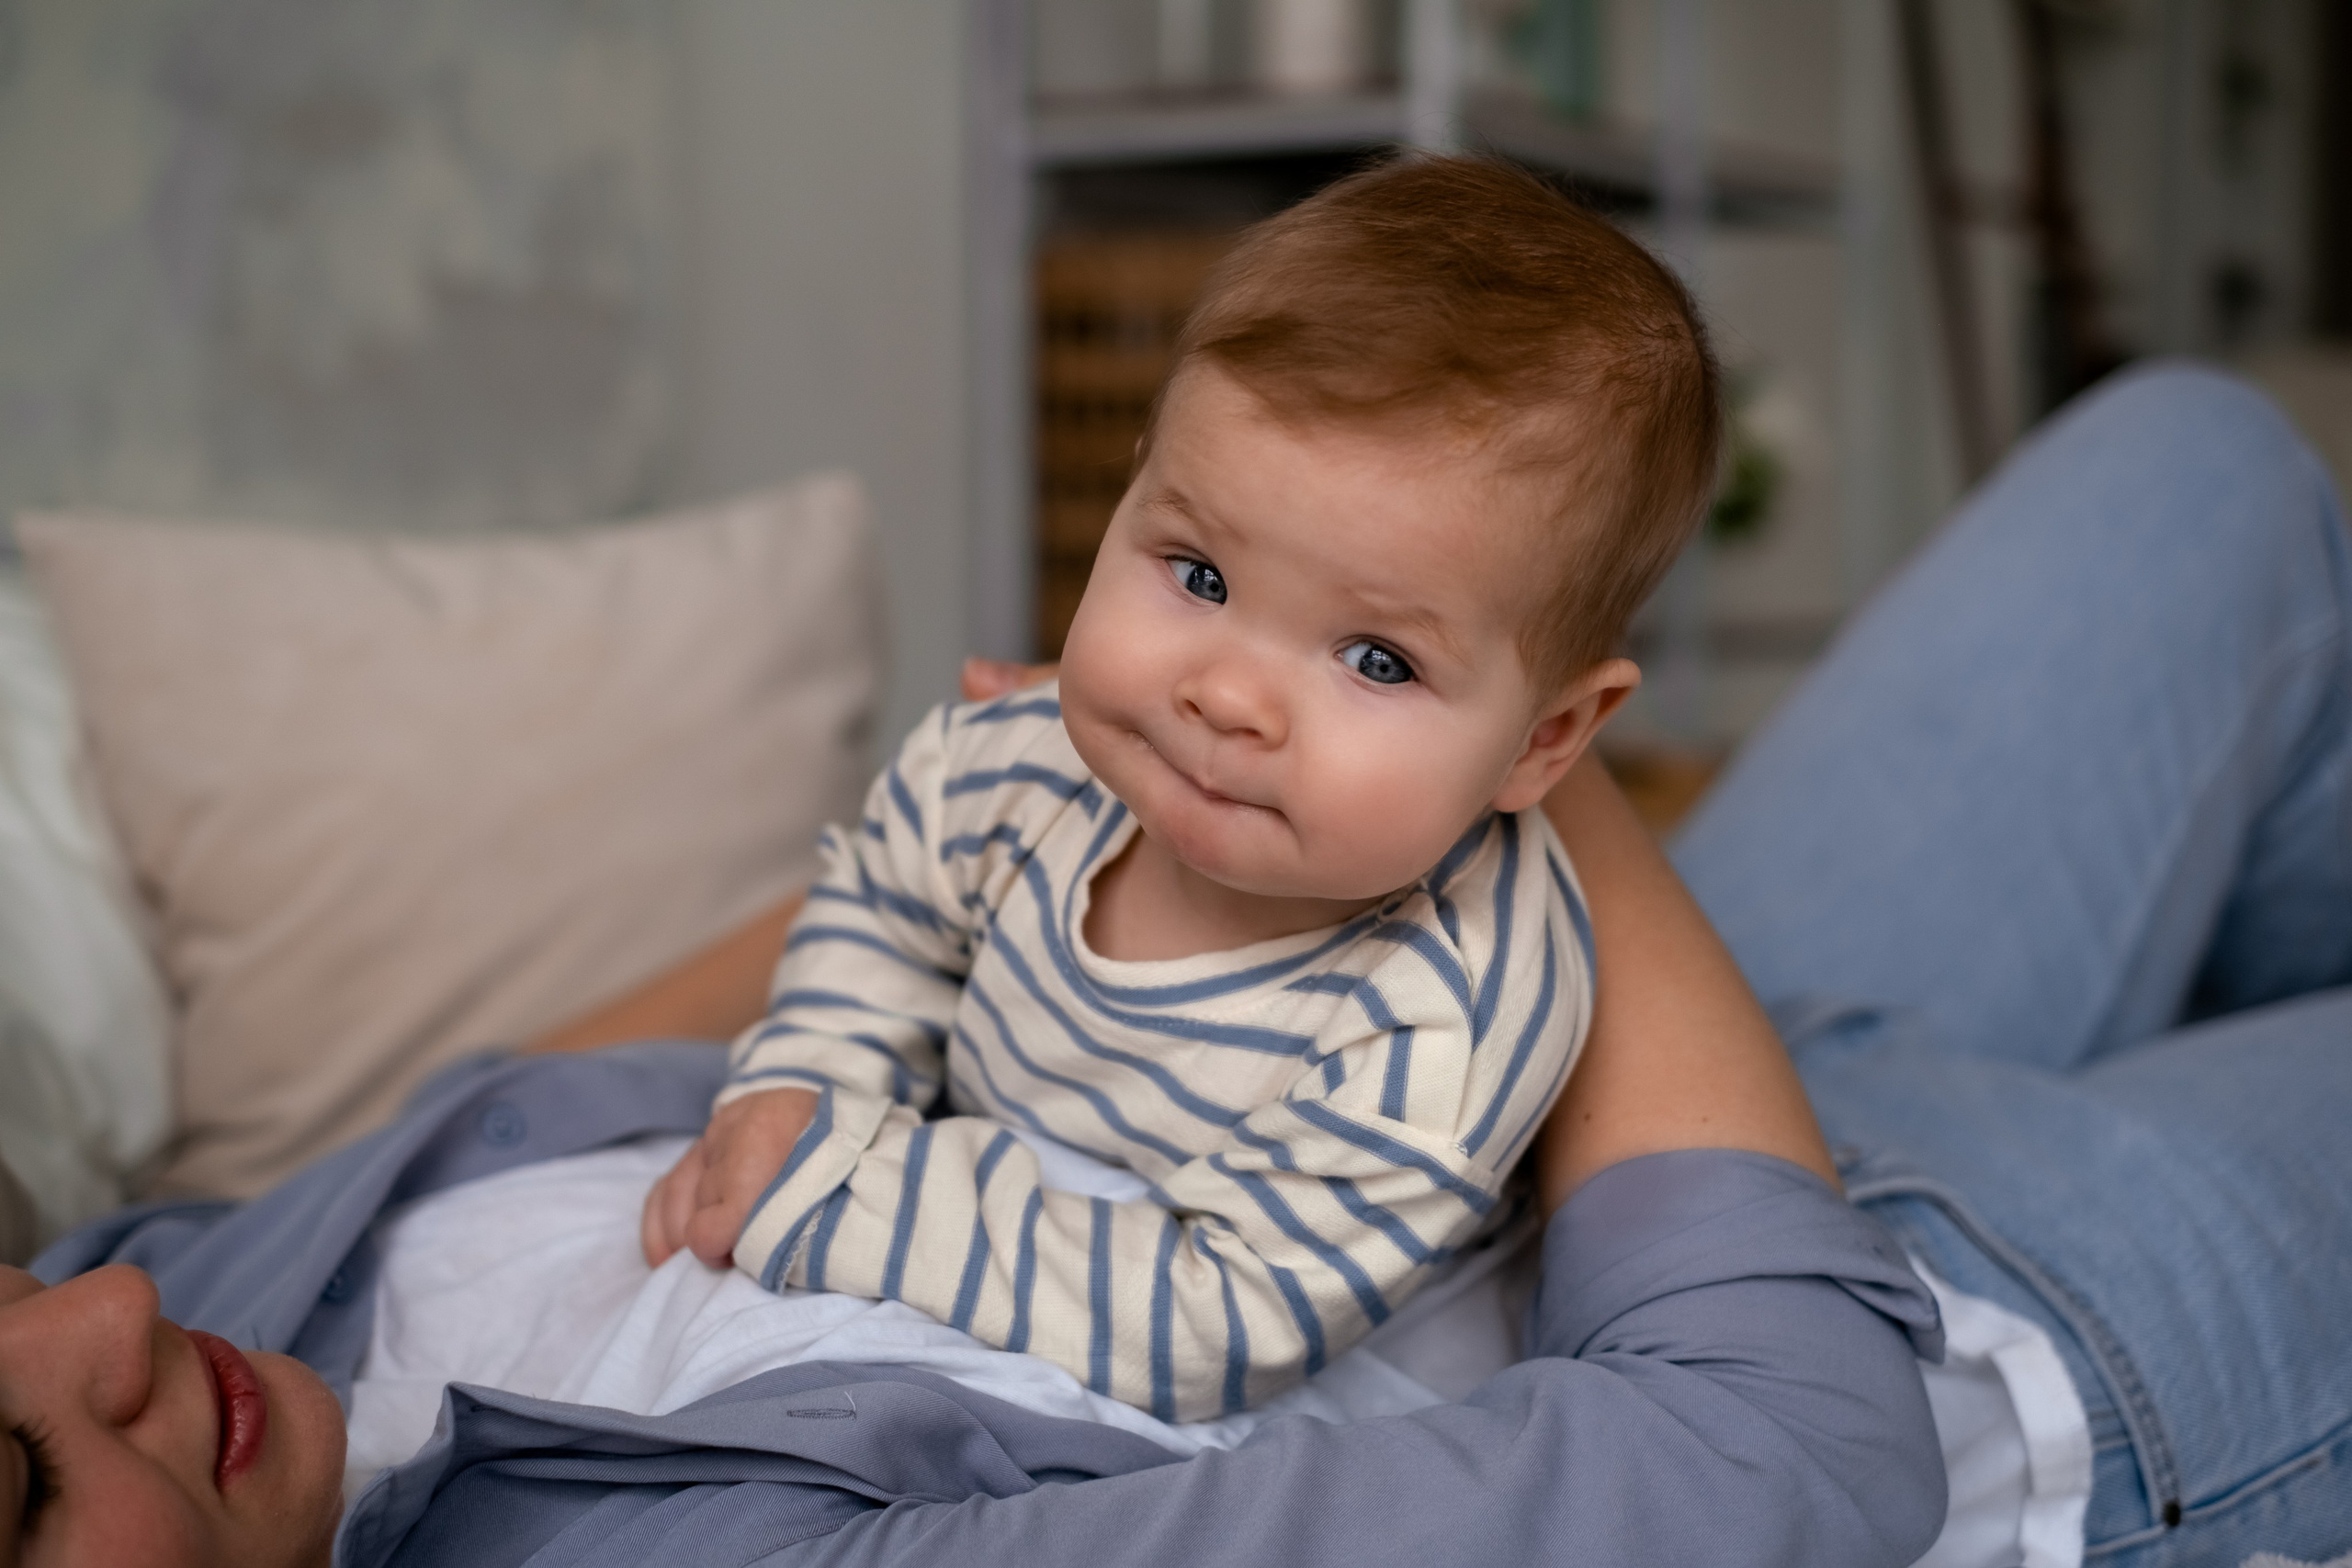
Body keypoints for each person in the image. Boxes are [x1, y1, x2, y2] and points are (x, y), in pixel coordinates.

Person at [6, 364, 2347, 1568]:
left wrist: (1002, 807)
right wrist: (1451, 725)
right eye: (18, 1489)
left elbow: (675, 1035)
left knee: (2192, 463)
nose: (98, 1318)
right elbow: (1769, 1446)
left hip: (1566, 1013)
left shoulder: (168, 1292)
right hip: (1923, 1309)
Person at [639, 155, 1723, 1418]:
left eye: (1376, 659)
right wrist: (808, 1093)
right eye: (1197, 574)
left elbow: (1225, 1322)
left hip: (1297, 1376)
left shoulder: (1446, 1008)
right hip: (997, 1222)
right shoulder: (1016, 758)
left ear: (1548, 738)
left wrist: (844, 1192)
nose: (1227, 696)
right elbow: (884, 921)